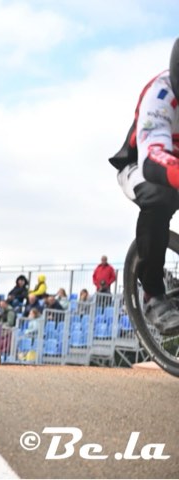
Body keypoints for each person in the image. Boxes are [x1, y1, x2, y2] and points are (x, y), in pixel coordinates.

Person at [111, 38, 179, 335]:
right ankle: (153, 294)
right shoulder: (160, 94)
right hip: (141, 164)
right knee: (159, 196)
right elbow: (153, 158)